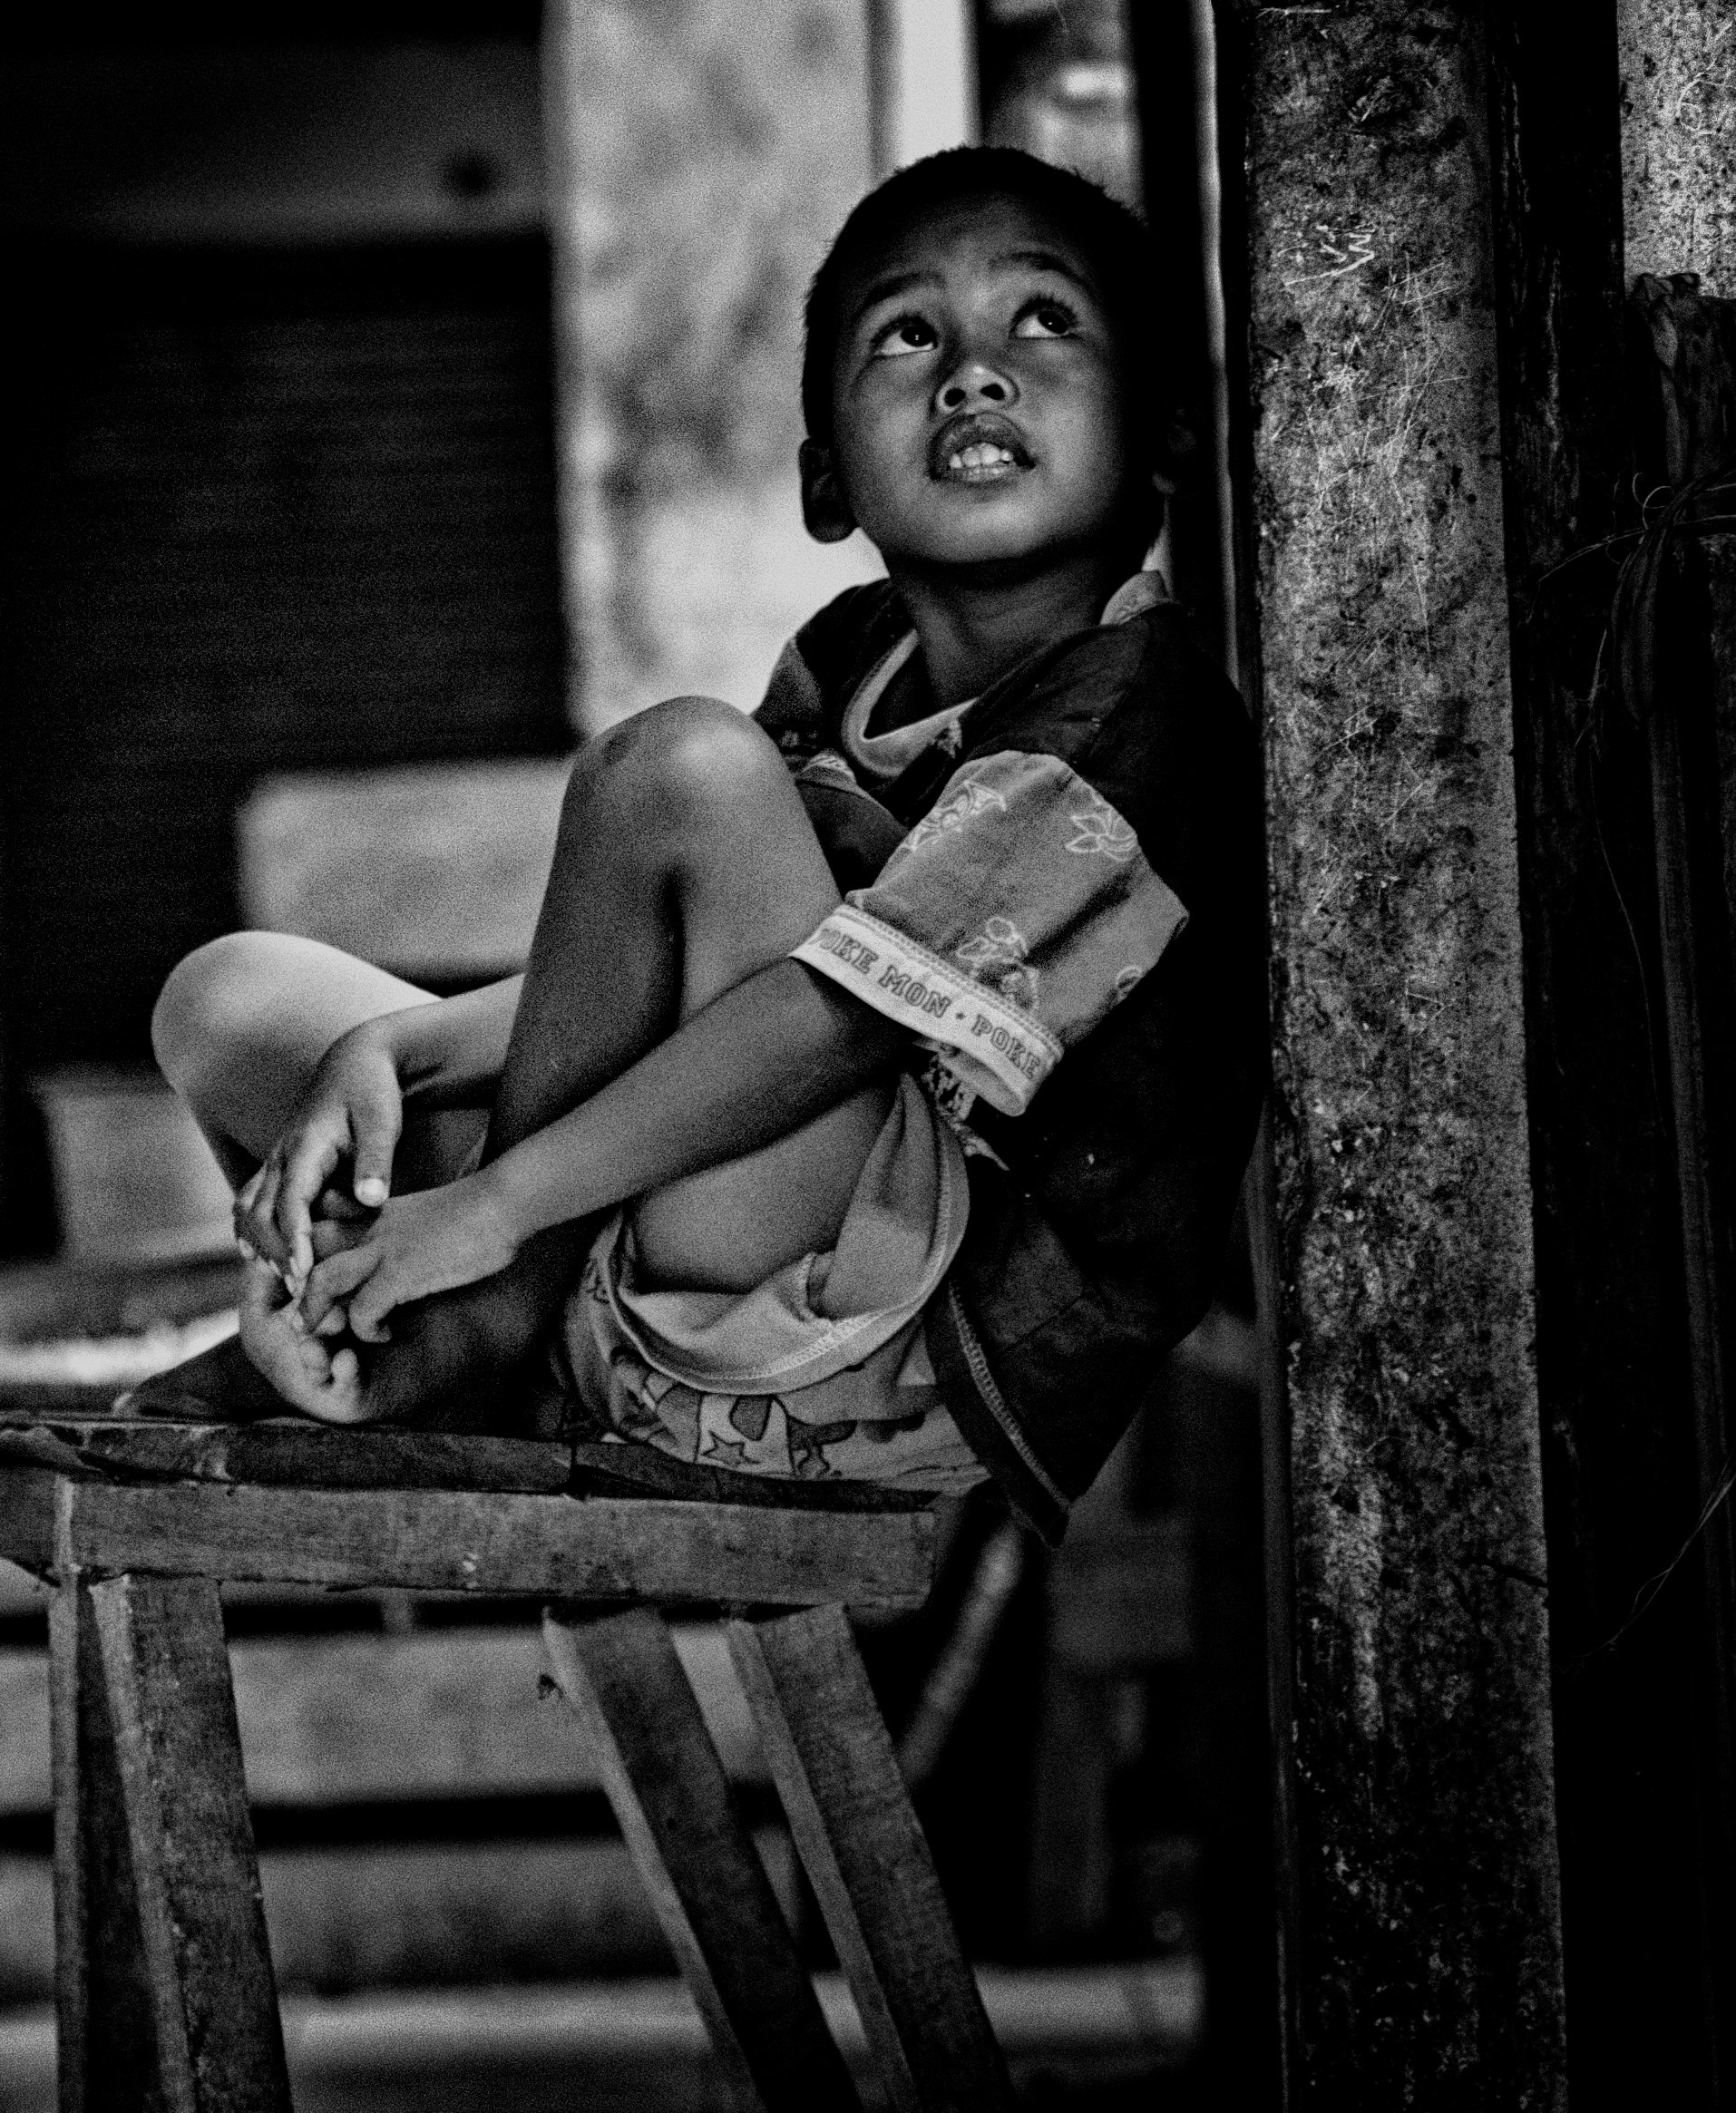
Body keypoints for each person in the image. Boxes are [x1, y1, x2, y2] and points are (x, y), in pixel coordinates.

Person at [147, 147, 1264, 1543]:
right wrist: (396, 1055)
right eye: (908, 335)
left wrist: (489, 1209)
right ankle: (452, 1335)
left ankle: (480, 1325)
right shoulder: (855, 657)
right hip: (704, 1251)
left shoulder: (1129, 722)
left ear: (1166, 425)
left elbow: (832, 1024)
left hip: (883, 1339)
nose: (974, 373)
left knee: (676, 767)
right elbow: (695, 962)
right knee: (229, 1002)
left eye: (1044, 319)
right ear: (824, 484)